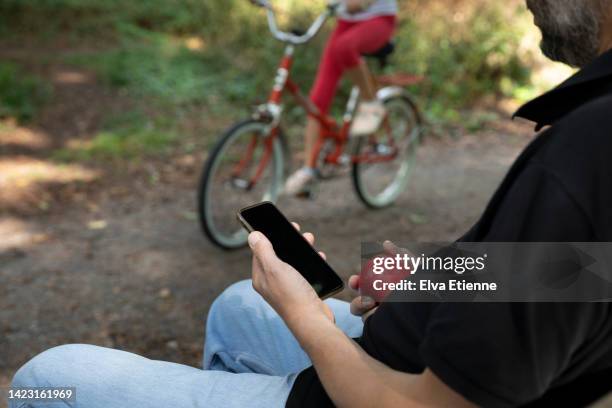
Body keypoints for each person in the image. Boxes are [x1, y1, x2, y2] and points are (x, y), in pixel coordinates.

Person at [9, 0, 612, 407]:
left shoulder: (586, 146)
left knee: (47, 378)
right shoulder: (590, 135)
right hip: (423, 348)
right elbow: (584, 273)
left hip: (369, 393)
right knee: (238, 303)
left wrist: (308, 318)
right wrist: (429, 278)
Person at [284, 0, 397, 196]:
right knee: (317, 99)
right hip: (345, 22)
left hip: (379, 20)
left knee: (344, 48)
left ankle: (371, 104)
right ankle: (308, 169)